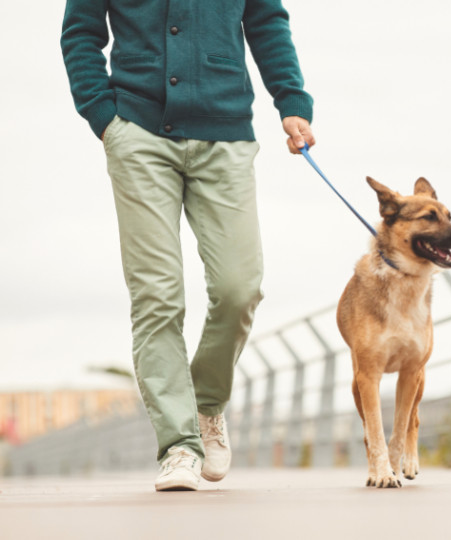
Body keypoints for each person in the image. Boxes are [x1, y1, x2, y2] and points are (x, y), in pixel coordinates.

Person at [60, 0, 315, 491]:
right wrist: (103, 116)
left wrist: (292, 102)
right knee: (157, 296)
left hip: (227, 137)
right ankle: (179, 446)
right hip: (137, 133)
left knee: (240, 287)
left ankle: (207, 405)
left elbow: (266, 23)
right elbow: (80, 34)